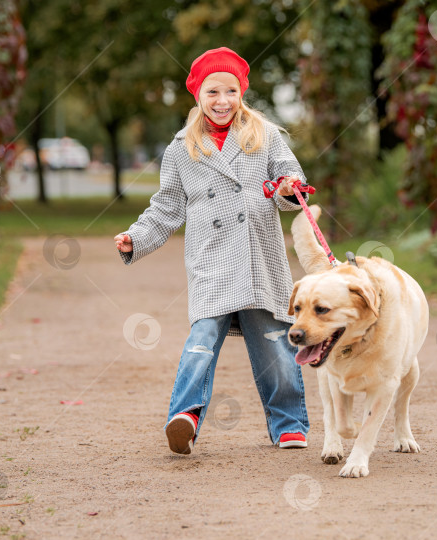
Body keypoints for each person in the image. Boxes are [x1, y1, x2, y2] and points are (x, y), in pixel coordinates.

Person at [114, 47, 310, 455]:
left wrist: (289, 186)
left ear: (242, 93)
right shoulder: (181, 148)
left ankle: (289, 423)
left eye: (231, 91)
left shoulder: (265, 134)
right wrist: (137, 236)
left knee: (275, 340)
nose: (222, 101)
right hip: (212, 259)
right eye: (212, 92)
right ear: (197, 96)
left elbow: (289, 180)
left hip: (260, 259)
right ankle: (184, 415)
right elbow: (166, 207)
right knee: (201, 339)